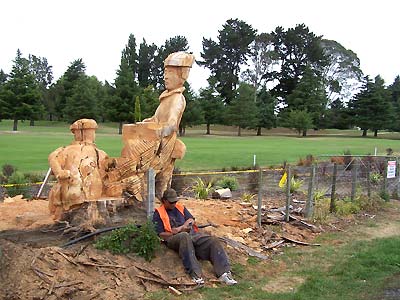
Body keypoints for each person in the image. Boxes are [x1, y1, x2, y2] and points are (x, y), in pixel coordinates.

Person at [152, 188, 237, 285]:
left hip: (191, 235)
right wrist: (179, 230)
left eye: (175, 201)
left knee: (212, 240)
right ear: (164, 201)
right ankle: (195, 275)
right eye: (171, 202)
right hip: (173, 238)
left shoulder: (180, 208)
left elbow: (191, 219)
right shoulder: (158, 213)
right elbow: (161, 234)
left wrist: (187, 224)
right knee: (184, 236)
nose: (174, 204)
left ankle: (224, 273)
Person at [48, 119, 109, 220]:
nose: (93, 135)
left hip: (91, 193)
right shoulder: (67, 150)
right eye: (92, 131)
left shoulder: (100, 153)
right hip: (74, 193)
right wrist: (60, 172)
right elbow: (53, 158)